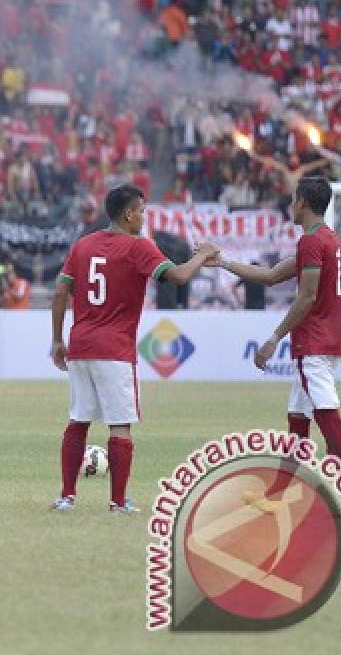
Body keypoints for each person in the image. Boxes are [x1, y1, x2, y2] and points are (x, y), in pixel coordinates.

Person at [50, 184, 217, 514]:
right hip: (113, 348)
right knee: (120, 425)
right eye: (141, 211)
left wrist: (57, 340)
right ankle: (117, 502)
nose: (144, 216)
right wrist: (202, 255)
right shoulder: (139, 247)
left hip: (81, 345)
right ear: (128, 214)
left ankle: (67, 497)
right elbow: (180, 277)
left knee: (78, 420)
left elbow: (59, 294)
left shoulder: (83, 245)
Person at [211, 177, 341, 487]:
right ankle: (282, 491)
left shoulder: (311, 242)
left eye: (294, 200)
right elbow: (269, 276)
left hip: (313, 343)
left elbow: (306, 297)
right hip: (327, 340)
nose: (290, 205)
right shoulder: (328, 240)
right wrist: (223, 261)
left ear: (304, 203)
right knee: (298, 417)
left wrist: (273, 339)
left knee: (328, 417)